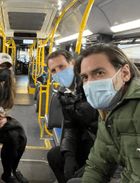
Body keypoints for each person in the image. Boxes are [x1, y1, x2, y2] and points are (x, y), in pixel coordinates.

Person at [72, 43, 140, 182]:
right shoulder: (106, 114)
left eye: (99, 73)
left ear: (125, 73)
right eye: (85, 77)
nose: (90, 83)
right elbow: (98, 165)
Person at [46, 49, 99, 183]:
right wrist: (69, 155)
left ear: (73, 64)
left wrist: (94, 162)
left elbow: (109, 133)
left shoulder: (91, 87)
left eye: (62, 66)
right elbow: (70, 127)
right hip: (88, 143)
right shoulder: (65, 95)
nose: (58, 72)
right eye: (53, 70)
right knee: (55, 155)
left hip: (104, 151)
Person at [0, 53, 28, 183]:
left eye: (8, 67)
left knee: (20, 137)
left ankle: (13, 170)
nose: (5, 70)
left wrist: (3, 119)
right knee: (12, 138)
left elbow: (4, 108)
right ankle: (8, 174)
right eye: (1, 66)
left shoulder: (8, 83)